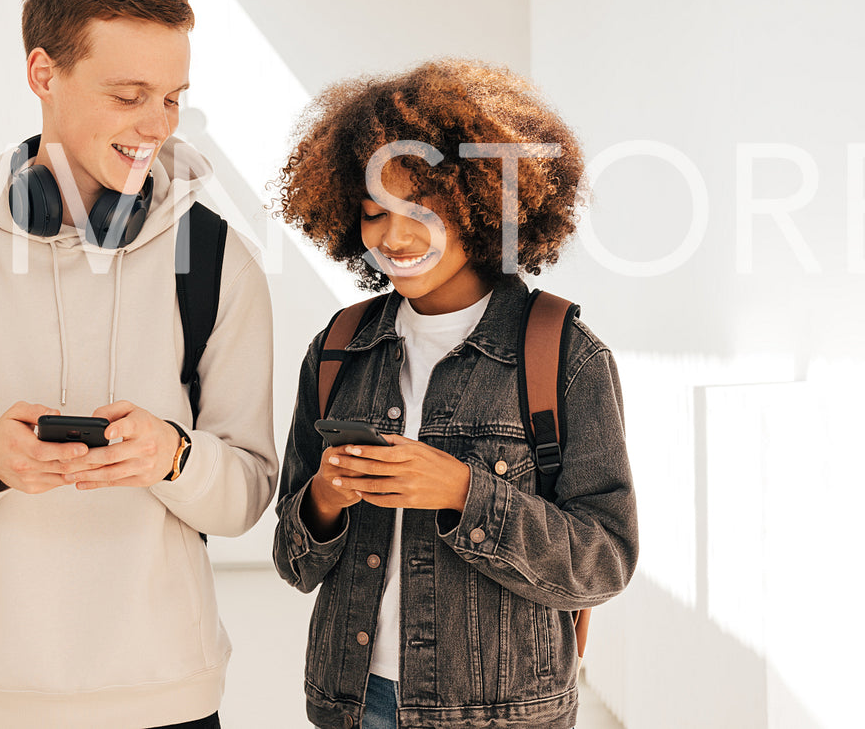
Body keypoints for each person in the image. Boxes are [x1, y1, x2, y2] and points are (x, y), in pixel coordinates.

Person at [0, 0, 278, 729]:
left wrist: (174, 456)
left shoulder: (221, 264)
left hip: (166, 696)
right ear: (43, 74)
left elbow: (248, 493)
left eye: (173, 98)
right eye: (129, 95)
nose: (156, 125)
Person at [271, 59, 638, 729]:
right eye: (374, 212)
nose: (394, 237)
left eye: (423, 211)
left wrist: (465, 494)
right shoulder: (337, 348)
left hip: (498, 715)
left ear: (483, 205)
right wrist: (323, 499)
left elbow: (603, 562)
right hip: (351, 704)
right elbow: (292, 564)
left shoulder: (563, 354)